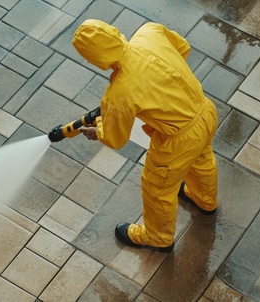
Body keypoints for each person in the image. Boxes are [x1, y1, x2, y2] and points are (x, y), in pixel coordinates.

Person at [73, 19, 218, 252]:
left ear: (95, 59)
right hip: (204, 110)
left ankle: (158, 237)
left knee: (157, 188)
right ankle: (205, 199)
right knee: (201, 160)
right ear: (114, 33)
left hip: (178, 139)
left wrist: (98, 130)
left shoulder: (118, 93)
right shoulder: (149, 31)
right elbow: (182, 49)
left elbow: (115, 139)